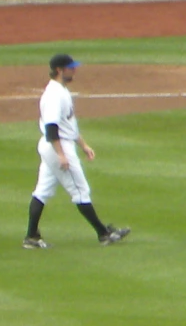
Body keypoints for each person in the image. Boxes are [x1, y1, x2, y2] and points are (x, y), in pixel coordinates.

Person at [26, 54, 132, 250]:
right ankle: (103, 233)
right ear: (59, 69)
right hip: (57, 146)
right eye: (70, 67)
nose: (74, 70)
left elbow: (68, 125)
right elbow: (52, 128)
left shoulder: (61, 91)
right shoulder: (54, 95)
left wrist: (83, 145)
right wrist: (61, 155)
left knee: (43, 191)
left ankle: (31, 237)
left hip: (58, 144)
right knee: (80, 191)